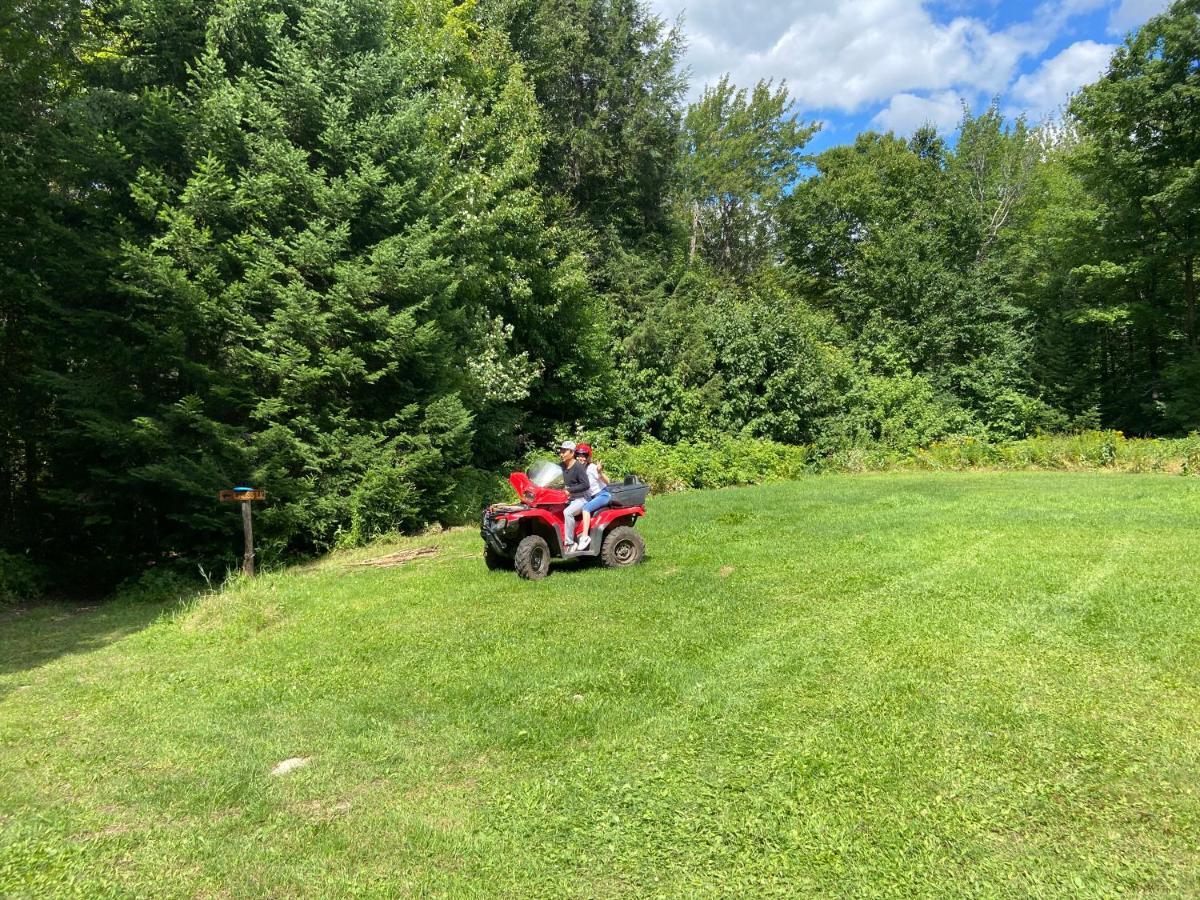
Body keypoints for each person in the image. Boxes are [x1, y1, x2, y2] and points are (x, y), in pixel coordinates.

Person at [574, 443, 610, 551]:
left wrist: (600, 472)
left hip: (602, 495)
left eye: (583, 456)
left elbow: (608, 481)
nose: (581, 458)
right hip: (591, 497)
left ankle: (585, 537)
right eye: (579, 455)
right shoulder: (578, 469)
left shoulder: (592, 468)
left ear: (588, 457)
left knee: (586, 509)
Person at [557, 440, 590, 551]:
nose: (561, 453)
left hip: (581, 499)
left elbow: (586, 485)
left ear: (572, 453)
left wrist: (570, 490)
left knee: (568, 512)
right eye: (561, 451)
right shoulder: (561, 466)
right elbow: (554, 476)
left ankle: (570, 543)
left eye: (564, 451)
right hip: (567, 498)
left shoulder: (578, 467)